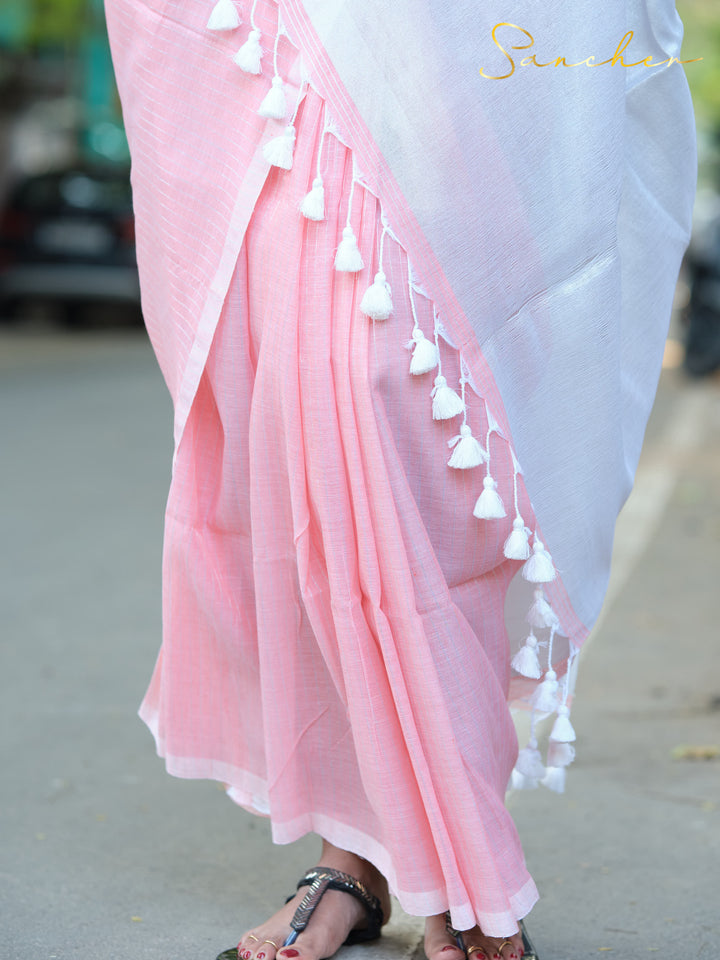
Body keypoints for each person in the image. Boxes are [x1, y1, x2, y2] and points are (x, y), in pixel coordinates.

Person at [104, 1, 697, 958]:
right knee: (308, 447)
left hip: (442, 59)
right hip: (266, 51)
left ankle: (444, 860)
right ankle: (367, 856)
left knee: (414, 438)